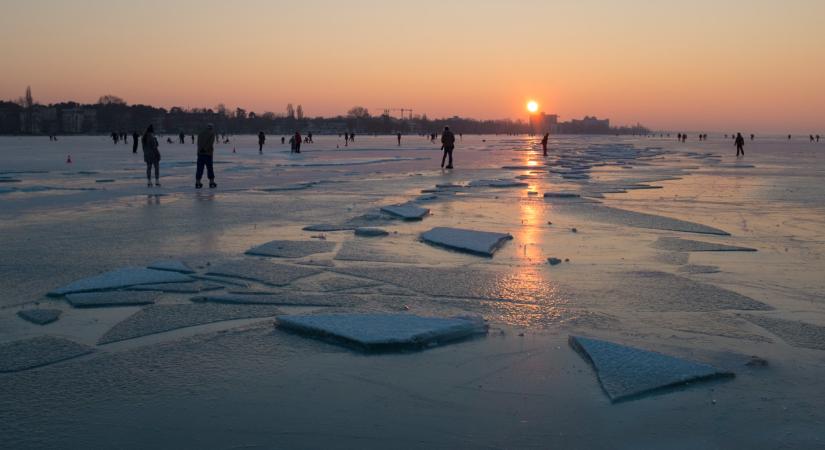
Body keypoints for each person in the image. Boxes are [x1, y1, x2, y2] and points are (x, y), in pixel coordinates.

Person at [196, 124, 217, 189]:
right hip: (208, 154)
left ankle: (198, 182)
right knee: (210, 168)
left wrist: (200, 150)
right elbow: (210, 143)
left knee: (199, 168)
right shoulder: (212, 134)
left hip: (200, 154)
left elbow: (198, 142)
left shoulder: (200, 133)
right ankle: (211, 182)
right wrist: (205, 149)